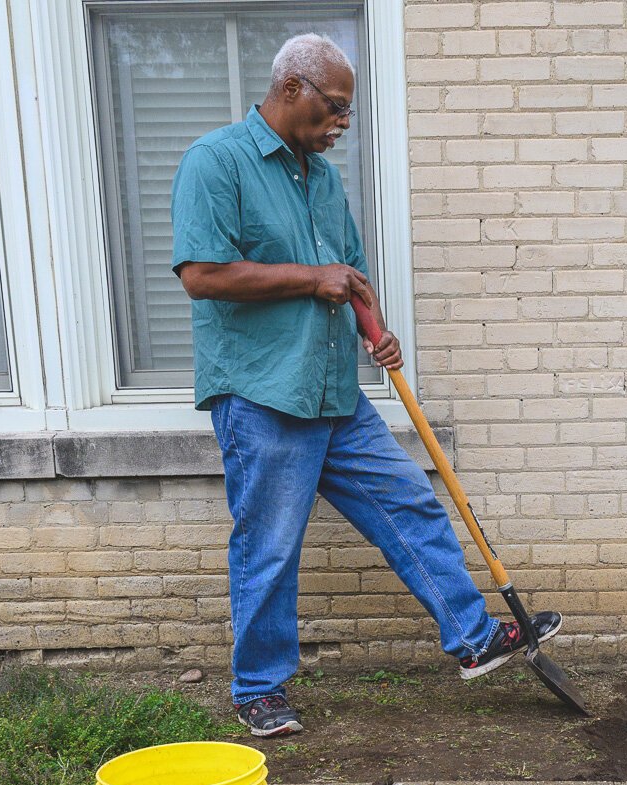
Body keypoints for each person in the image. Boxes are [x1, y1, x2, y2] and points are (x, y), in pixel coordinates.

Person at [171, 33, 560, 738]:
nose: (343, 124)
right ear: (293, 89)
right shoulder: (216, 161)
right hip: (263, 395)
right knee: (271, 546)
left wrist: (373, 326)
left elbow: (348, 275)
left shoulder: (322, 180)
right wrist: (309, 278)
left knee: (410, 501)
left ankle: (473, 639)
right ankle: (259, 689)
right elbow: (201, 274)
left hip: (333, 393)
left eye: (348, 111)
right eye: (336, 108)